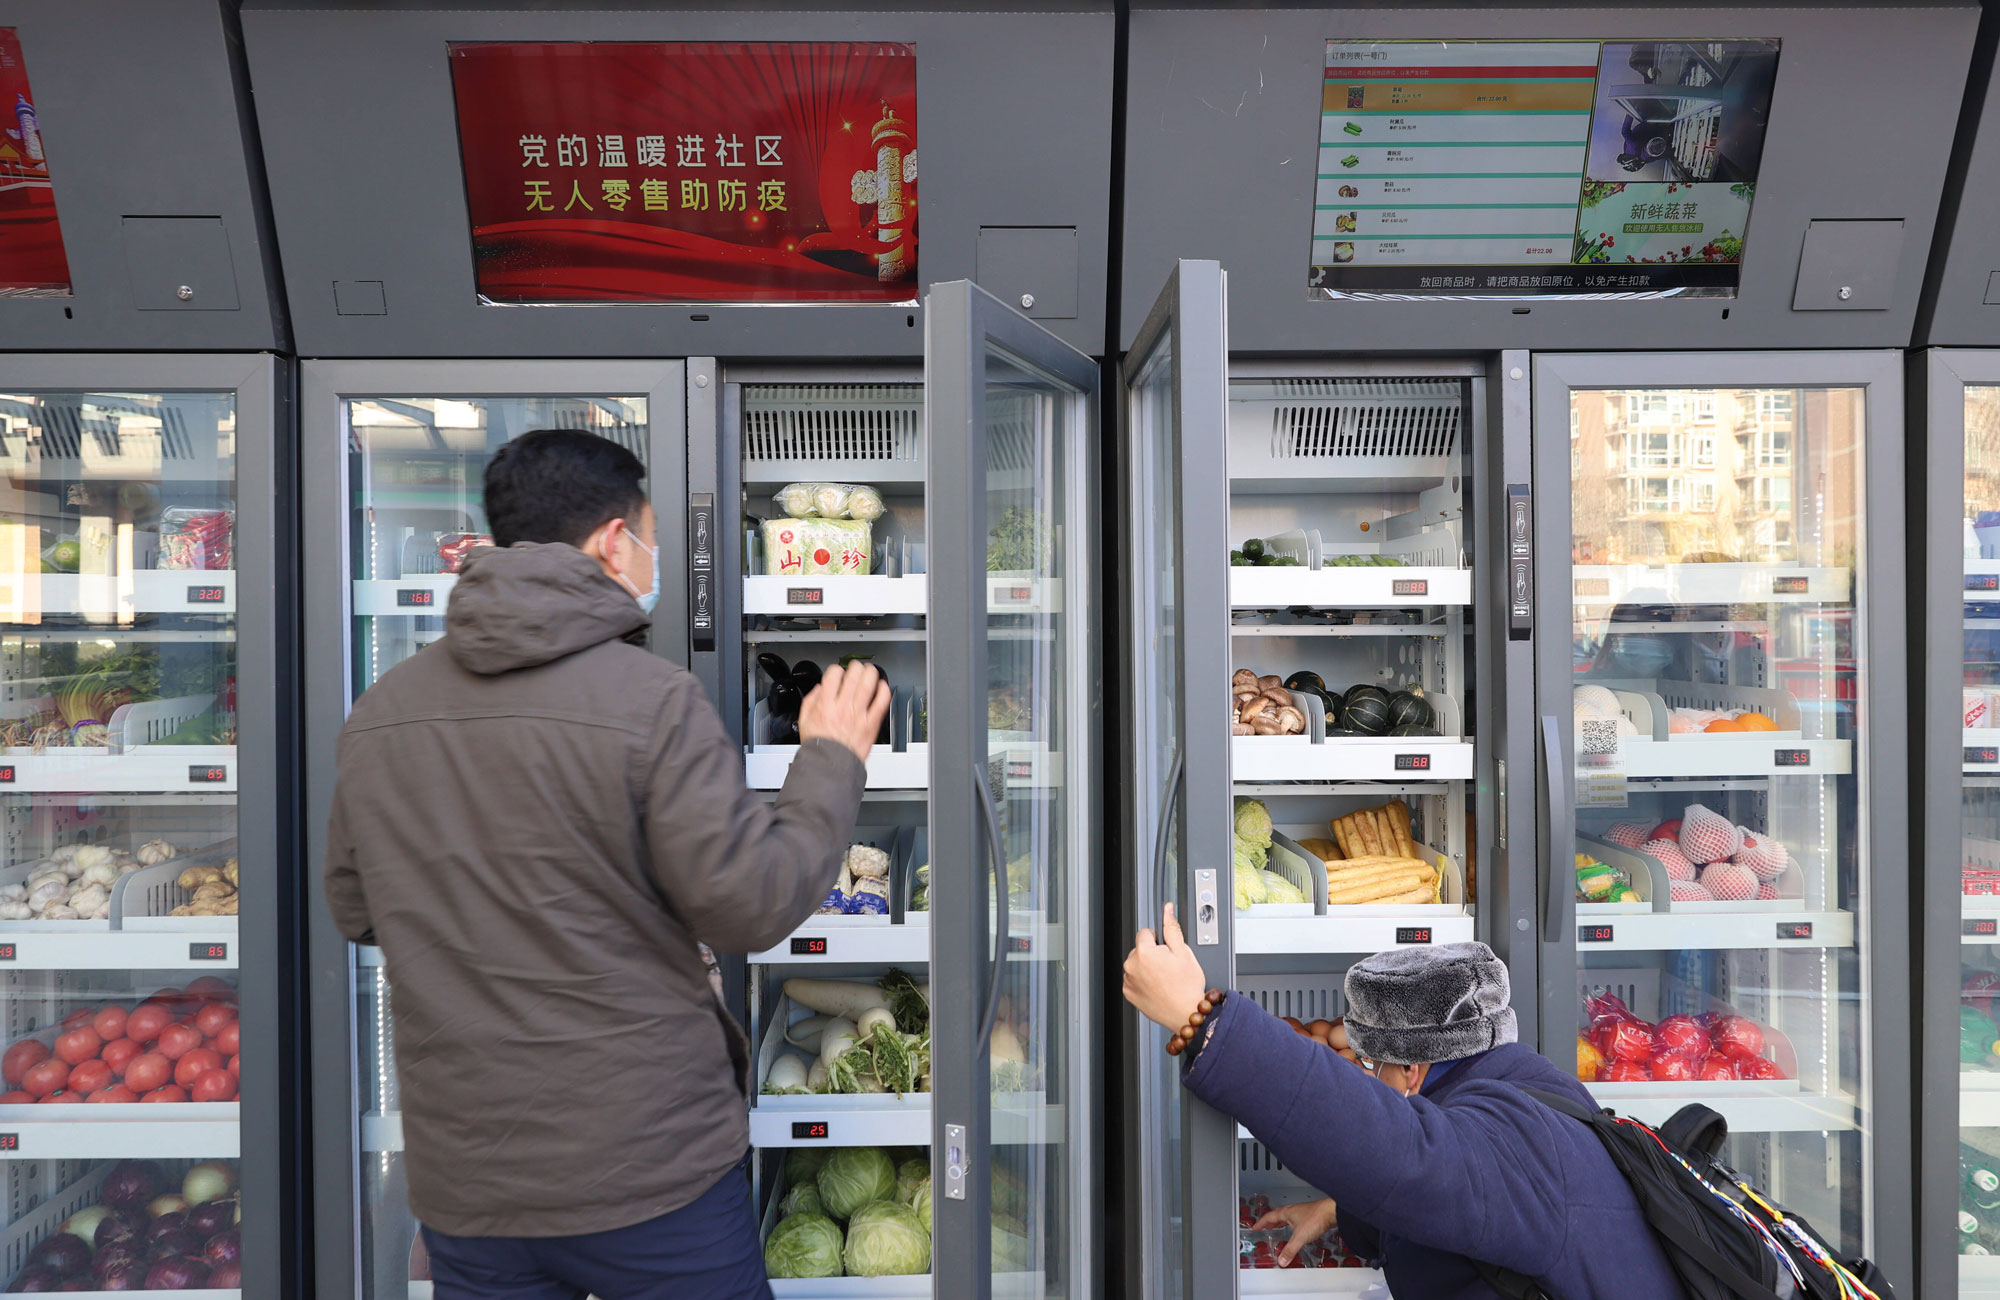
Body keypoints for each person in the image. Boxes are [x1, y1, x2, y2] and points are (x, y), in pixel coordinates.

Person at [323, 429, 889, 1300]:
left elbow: (358, 908)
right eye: (654, 539)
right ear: (613, 542)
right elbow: (751, 905)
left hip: (469, 1184)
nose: (655, 559)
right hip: (647, 1171)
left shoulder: (381, 712)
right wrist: (829, 758)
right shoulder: (652, 702)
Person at [1123, 914, 1685, 1299]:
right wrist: (1344, 1210)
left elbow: (1393, 1146)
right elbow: (1446, 1195)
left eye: (1373, 1069)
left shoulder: (1512, 1145)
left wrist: (1201, 1020)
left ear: (1412, 1072)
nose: (1368, 1078)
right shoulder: (1530, 1088)